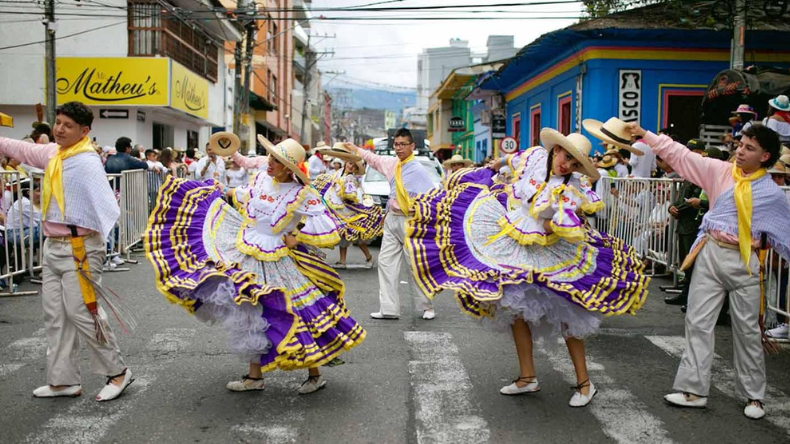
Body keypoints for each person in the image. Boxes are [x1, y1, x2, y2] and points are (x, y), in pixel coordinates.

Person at [408, 126, 647, 407]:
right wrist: (496, 167)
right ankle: (527, 376)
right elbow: (511, 162)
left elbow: (559, 225)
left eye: (573, 163)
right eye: (565, 156)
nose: (566, 164)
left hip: (553, 252)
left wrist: (554, 224)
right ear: (556, 149)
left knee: (568, 312)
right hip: (515, 243)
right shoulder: (535, 158)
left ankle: (585, 384)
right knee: (515, 309)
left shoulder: (572, 190)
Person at [144, 134, 365, 394]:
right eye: (270, 157)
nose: (269, 162)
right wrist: (216, 189)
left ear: (289, 167)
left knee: (297, 313)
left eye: (276, 160)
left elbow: (327, 225)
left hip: (278, 258)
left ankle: (314, 374)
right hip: (245, 246)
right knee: (248, 310)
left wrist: (298, 234)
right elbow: (242, 194)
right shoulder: (261, 179)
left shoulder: (301, 193)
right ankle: (254, 376)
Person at [630, 122, 790, 420]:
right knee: (697, 322)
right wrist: (646, 134)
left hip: (745, 261)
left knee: (747, 331)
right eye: (740, 145)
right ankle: (694, 390)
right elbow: (681, 156)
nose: (740, 151)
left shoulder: (772, 193)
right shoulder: (719, 171)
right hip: (710, 251)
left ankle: (754, 396)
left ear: (765, 157)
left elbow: (785, 232)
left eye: (749, 148)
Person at [0, 101, 132, 401]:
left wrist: (96, 245)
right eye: (58, 122)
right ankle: (63, 381)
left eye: (67, 125)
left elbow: (105, 207)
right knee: (55, 316)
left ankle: (118, 372)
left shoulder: (87, 161)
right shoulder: (53, 154)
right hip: (52, 245)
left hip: (80, 247)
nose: (59, 129)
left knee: (83, 312)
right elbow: (19, 149)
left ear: (84, 131)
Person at [344, 128, 438, 320]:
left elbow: (431, 198)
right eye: (396, 144)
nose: (399, 148)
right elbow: (374, 160)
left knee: (415, 265)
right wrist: (356, 150)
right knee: (386, 263)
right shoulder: (392, 163)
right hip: (392, 218)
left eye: (403, 144)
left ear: (412, 146)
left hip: (411, 221)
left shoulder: (418, 169)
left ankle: (427, 306)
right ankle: (388, 309)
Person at [314, 146, 382, 269]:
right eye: (350, 164)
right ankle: (343, 261)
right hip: (337, 208)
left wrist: (344, 191)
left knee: (357, 238)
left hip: (348, 210)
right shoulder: (337, 173)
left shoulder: (351, 179)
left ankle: (369, 257)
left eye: (354, 166)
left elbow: (351, 195)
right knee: (343, 236)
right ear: (346, 163)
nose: (351, 167)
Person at [664, 139, 706, 307]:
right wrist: (672, 207)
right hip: (684, 224)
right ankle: (686, 294)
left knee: (694, 264)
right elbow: (682, 197)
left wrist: (678, 208)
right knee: (685, 262)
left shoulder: (704, 173)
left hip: (695, 224)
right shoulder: (691, 171)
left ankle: (692, 298)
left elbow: (695, 199)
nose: (690, 154)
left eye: (694, 151)